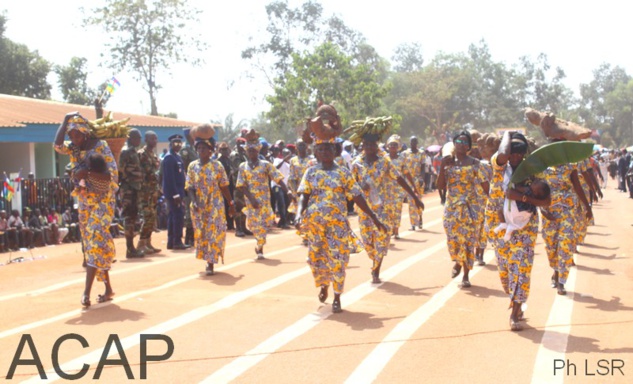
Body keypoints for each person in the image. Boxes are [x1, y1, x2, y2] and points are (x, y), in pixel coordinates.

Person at [295, 139, 386, 313]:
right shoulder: (311, 172)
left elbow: (357, 196)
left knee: (338, 260)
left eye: (328, 149)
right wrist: (299, 215)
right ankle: (323, 284)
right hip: (315, 225)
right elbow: (303, 196)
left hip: (338, 226)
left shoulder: (343, 173)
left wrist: (374, 217)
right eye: (320, 149)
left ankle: (337, 295)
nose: (325, 152)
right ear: (316, 152)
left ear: (335, 151)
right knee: (314, 260)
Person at [484, 131, 550, 331]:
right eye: (513, 151)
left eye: (520, 152)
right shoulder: (499, 164)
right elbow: (502, 153)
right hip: (499, 224)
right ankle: (515, 301)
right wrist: (508, 134)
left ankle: (515, 312)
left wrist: (522, 198)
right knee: (505, 272)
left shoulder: (534, 172)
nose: (515, 156)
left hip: (525, 227)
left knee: (521, 269)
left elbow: (546, 200)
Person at [54, 112, 118, 308]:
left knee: (96, 235)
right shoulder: (74, 149)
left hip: (102, 199)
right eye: (71, 135)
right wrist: (65, 120)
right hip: (84, 201)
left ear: (86, 133)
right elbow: (57, 146)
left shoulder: (101, 147)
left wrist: (87, 172)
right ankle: (108, 289)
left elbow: (112, 175)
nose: (74, 139)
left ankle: (86, 292)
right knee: (92, 243)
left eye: (77, 135)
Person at [352, 133, 425, 284]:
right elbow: (350, 185)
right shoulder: (356, 164)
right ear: (363, 146)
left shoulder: (384, 163)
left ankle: (376, 268)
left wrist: (415, 197)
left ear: (377, 146)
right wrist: (360, 186)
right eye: (367, 145)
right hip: (364, 208)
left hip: (382, 207)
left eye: (373, 145)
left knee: (383, 237)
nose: (370, 148)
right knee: (367, 241)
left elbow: (399, 179)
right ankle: (374, 259)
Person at [437, 131, 490, 288]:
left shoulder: (475, 164)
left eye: (465, 142)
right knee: (452, 237)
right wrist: (442, 167)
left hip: (470, 206)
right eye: (458, 141)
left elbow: (484, 184)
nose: (461, 144)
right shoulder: (448, 162)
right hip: (452, 207)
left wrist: (494, 201)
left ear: (469, 146)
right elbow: (440, 186)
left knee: (468, 240)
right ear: (454, 143)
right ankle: (458, 262)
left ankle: (466, 275)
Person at [186, 135, 236, 275]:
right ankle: (207, 257)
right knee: (203, 233)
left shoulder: (217, 166)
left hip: (215, 203)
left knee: (214, 231)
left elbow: (224, 186)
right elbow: (190, 187)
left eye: (204, 148)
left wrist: (231, 203)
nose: (201, 150)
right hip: (199, 205)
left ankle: (211, 262)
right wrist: (194, 201)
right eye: (199, 148)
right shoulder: (192, 166)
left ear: (210, 151)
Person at [236, 137, 291, 259]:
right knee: (254, 224)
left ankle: (260, 246)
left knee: (264, 223)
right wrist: (251, 198)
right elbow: (241, 185)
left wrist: (288, 191)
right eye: (249, 151)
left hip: (264, 199)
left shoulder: (265, 165)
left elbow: (278, 178)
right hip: (251, 200)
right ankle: (259, 244)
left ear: (258, 151)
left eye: (254, 151)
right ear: (246, 152)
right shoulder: (243, 166)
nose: (251, 153)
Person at [118, 128, 145, 258]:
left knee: (134, 216)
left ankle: (132, 247)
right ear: (131, 138)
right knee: (129, 217)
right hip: (128, 188)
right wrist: (128, 180)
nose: (139, 140)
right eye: (137, 138)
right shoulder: (126, 152)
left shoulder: (135, 153)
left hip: (135, 188)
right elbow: (120, 169)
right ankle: (130, 248)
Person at [162, 134, 190, 250]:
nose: (178, 145)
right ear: (170, 144)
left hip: (178, 191)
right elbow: (169, 178)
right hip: (174, 192)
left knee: (174, 215)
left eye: (180, 143)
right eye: (175, 143)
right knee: (177, 216)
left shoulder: (177, 157)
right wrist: (175, 194)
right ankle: (176, 241)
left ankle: (172, 241)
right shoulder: (169, 158)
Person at [384, 135, 416, 239]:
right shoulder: (383, 159)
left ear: (398, 147)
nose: (393, 147)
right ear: (387, 146)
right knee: (387, 210)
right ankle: (389, 229)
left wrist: (413, 186)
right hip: (385, 190)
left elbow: (407, 173)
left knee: (397, 209)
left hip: (398, 189)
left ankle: (396, 230)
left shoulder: (402, 159)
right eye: (391, 145)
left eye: (395, 145)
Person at [137, 130, 162, 254]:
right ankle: (141, 243)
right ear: (146, 140)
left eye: (156, 138)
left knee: (152, 217)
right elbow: (148, 172)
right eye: (152, 139)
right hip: (145, 190)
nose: (155, 141)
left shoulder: (152, 154)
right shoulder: (142, 154)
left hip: (153, 190)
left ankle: (148, 242)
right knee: (147, 216)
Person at [287, 139, 316, 245]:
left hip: (312, 190)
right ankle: (305, 234)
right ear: (296, 147)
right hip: (300, 191)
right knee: (302, 212)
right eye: (299, 145)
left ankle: (310, 233)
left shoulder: (311, 160)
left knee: (311, 212)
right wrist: (294, 192)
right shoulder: (293, 160)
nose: (301, 147)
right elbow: (292, 177)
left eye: (303, 145)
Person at [180, 128, 199, 246]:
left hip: (197, 184)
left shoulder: (195, 148)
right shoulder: (185, 150)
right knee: (189, 210)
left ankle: (193, 237)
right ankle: (188, 237)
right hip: (189, 184)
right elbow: (183, 169)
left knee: (195, 210)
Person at [402, 136, 426, 230]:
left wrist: (422, 178)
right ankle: (413, 223)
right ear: (410, 142)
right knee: (411, 202)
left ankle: (420, 219)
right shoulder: (405, 154)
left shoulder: (421, 153)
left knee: (418, 200)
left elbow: (423, 167)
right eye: (412, 141)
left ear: (417, 143)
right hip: (408, 180)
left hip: (418, 179)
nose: (413, 143)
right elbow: (402, 167)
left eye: (415, 142)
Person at [230, 137, 251, 237]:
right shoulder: (235, 155)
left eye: (244, 144)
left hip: (246, 185)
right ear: (237, 144)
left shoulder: (244, 155)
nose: (242, 146)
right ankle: (238, 228)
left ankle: (243, 227)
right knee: (238, 207)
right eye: (240, 144)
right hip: (237, 185)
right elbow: (239, 169)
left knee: (244, 207)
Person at [217, 141, 236, 230]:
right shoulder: (219, 162)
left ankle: (231, 223)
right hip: (223, 186)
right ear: (220, 151)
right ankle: (226, 223)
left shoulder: (229, 160)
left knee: (231, 203)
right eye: (223, 150)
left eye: (226, 149)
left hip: (230, 185)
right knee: (224, 204)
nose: (225, 151)